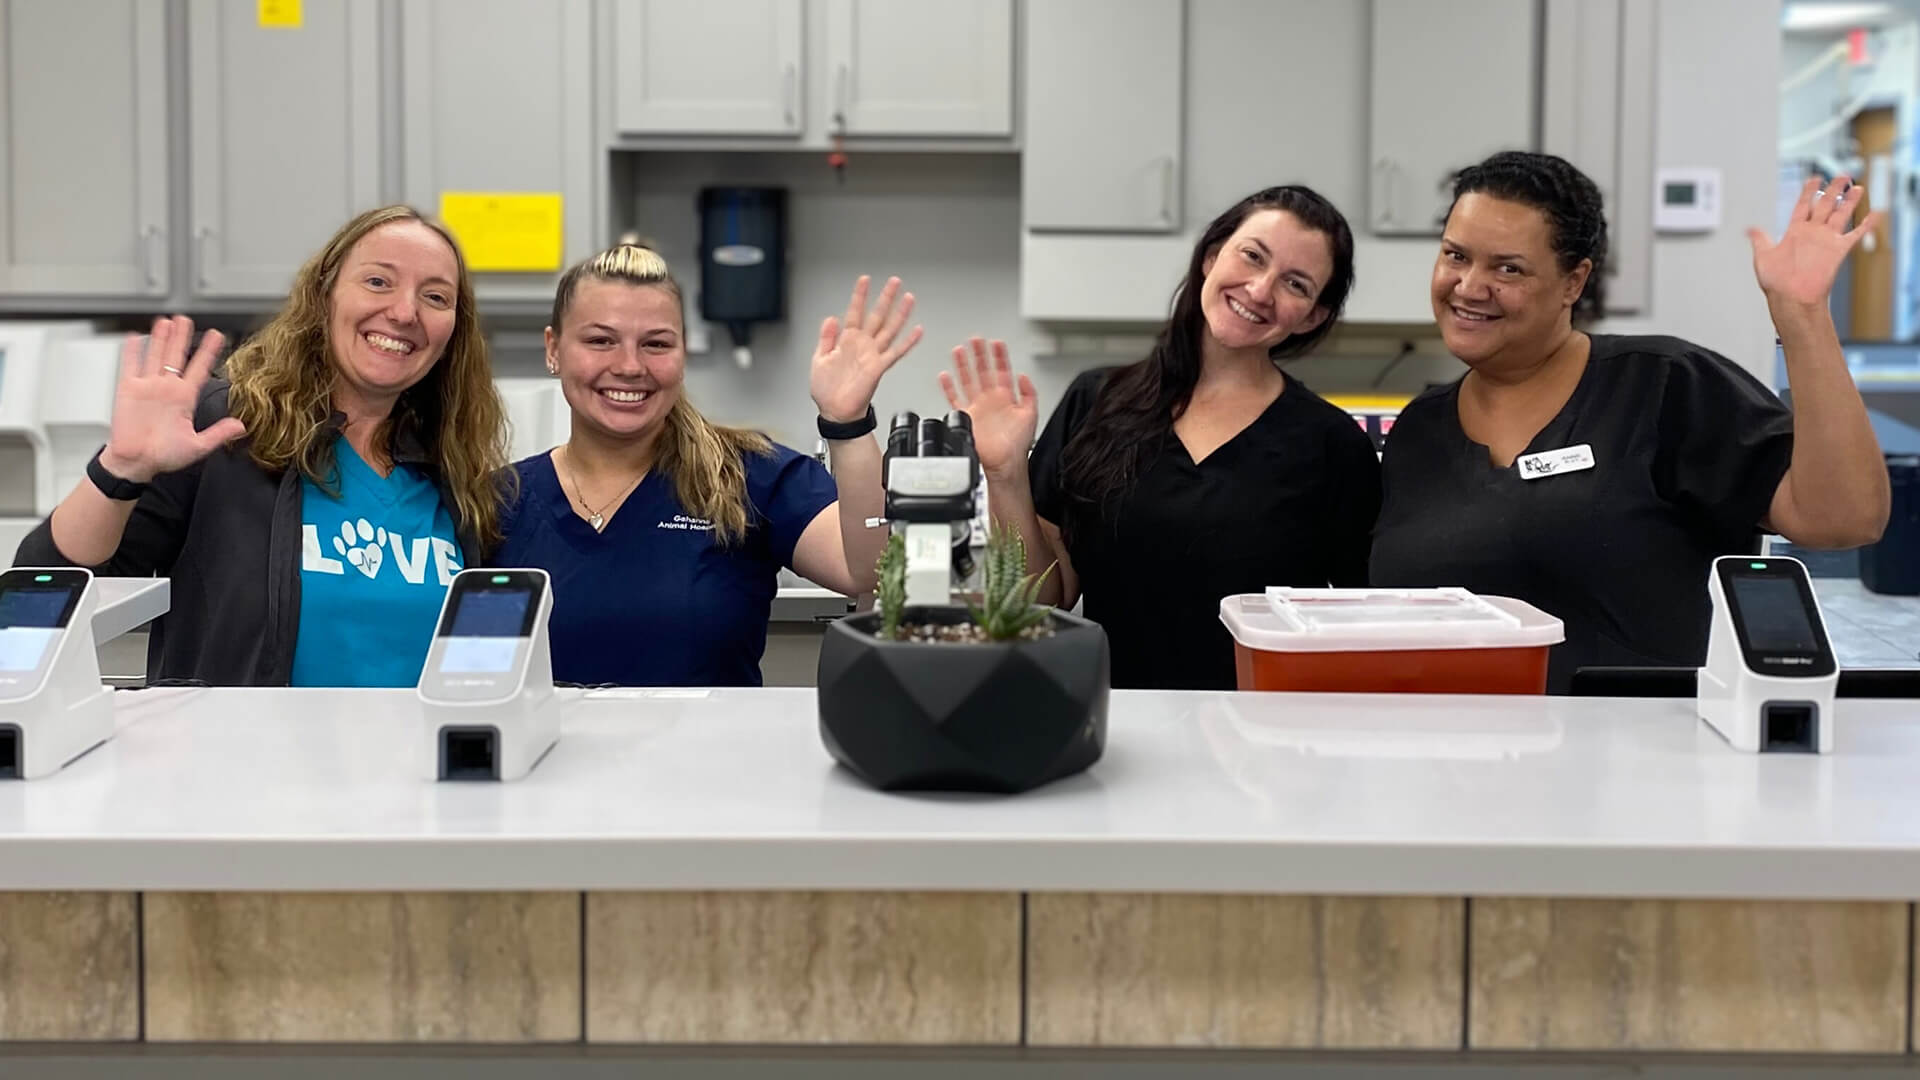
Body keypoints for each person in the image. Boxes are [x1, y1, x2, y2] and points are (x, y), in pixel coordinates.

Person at [1370, 151, 1891, 692]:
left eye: (1509, 269)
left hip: (1635, 762)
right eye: (1456, 256)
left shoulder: (1664, 386)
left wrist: (1803, 317)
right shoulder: (1418, 431)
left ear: (1574, 282)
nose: (1470, 286)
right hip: (1443, 758)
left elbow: (1844, 518)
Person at [14, 205, 509, 686]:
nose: (404, 312)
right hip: (247, 764)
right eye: (378, 281)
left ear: (454, 330)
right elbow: (49, 585)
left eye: (436, 297)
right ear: (325, 294)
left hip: (419, 763)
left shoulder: (455, 469)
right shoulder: (224, 431)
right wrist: (121, 467)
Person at [938, 186, 1381, 690]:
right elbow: (1044, 600)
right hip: (1119, 721)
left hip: (1262, 737)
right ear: (1212, 256)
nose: (1260, 290)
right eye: (1252, 256)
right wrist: (1005, 476)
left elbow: (1356, 637)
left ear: (1314, 315)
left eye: (1296, 284)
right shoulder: (1097, 401)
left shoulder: (1334, 446)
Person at [492, 244, 918, 686]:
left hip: (709, 755)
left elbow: (868, 569)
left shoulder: (747, 475)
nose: (630, 366)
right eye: (600, 341)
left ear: (681, 356)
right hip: (548, 755)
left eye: (656, 344)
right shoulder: (497, 501)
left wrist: (846, 423)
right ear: (553, 349)